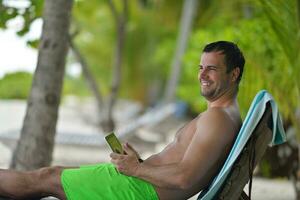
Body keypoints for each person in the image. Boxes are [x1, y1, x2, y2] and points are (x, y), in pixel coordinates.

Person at [0, 40, 245, 200]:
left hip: (138, 192)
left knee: (45, 178)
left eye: (211, 69)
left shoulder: (217, 119)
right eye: (201, 67)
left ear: (233, 74)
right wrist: (139, 163)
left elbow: (185, 178)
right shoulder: (224, 117)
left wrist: (137, 168)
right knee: (48, 177)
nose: (202, 74)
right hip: (141, 184)